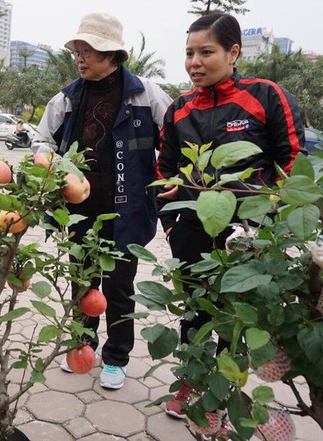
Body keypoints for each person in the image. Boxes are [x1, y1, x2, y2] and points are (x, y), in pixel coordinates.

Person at [156, 11, 303, 418]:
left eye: (206, 52)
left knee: (239, 315)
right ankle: (190, 381)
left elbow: (292, 163)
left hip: (248, 233)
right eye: (189, 53)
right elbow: (164, 170)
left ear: (233, 52)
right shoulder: (180, 109)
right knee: (194, 309)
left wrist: (269, 217)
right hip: (192, 231)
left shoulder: (266, 95)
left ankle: (223, 395)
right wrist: (171, 222)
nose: (194, 63)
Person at [32, 12, 172, 390]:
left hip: (127, 210)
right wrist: (48, 164)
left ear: (112, 54)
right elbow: (41, 140)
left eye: (88, 51)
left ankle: (117, 357)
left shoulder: (146, 94)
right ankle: (82, 346)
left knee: (118, 287)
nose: (80, 58)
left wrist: (170, 179)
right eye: (77, 51)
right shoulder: (68, 97)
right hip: (80, 209)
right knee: (82, 281)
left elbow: (173, 139)